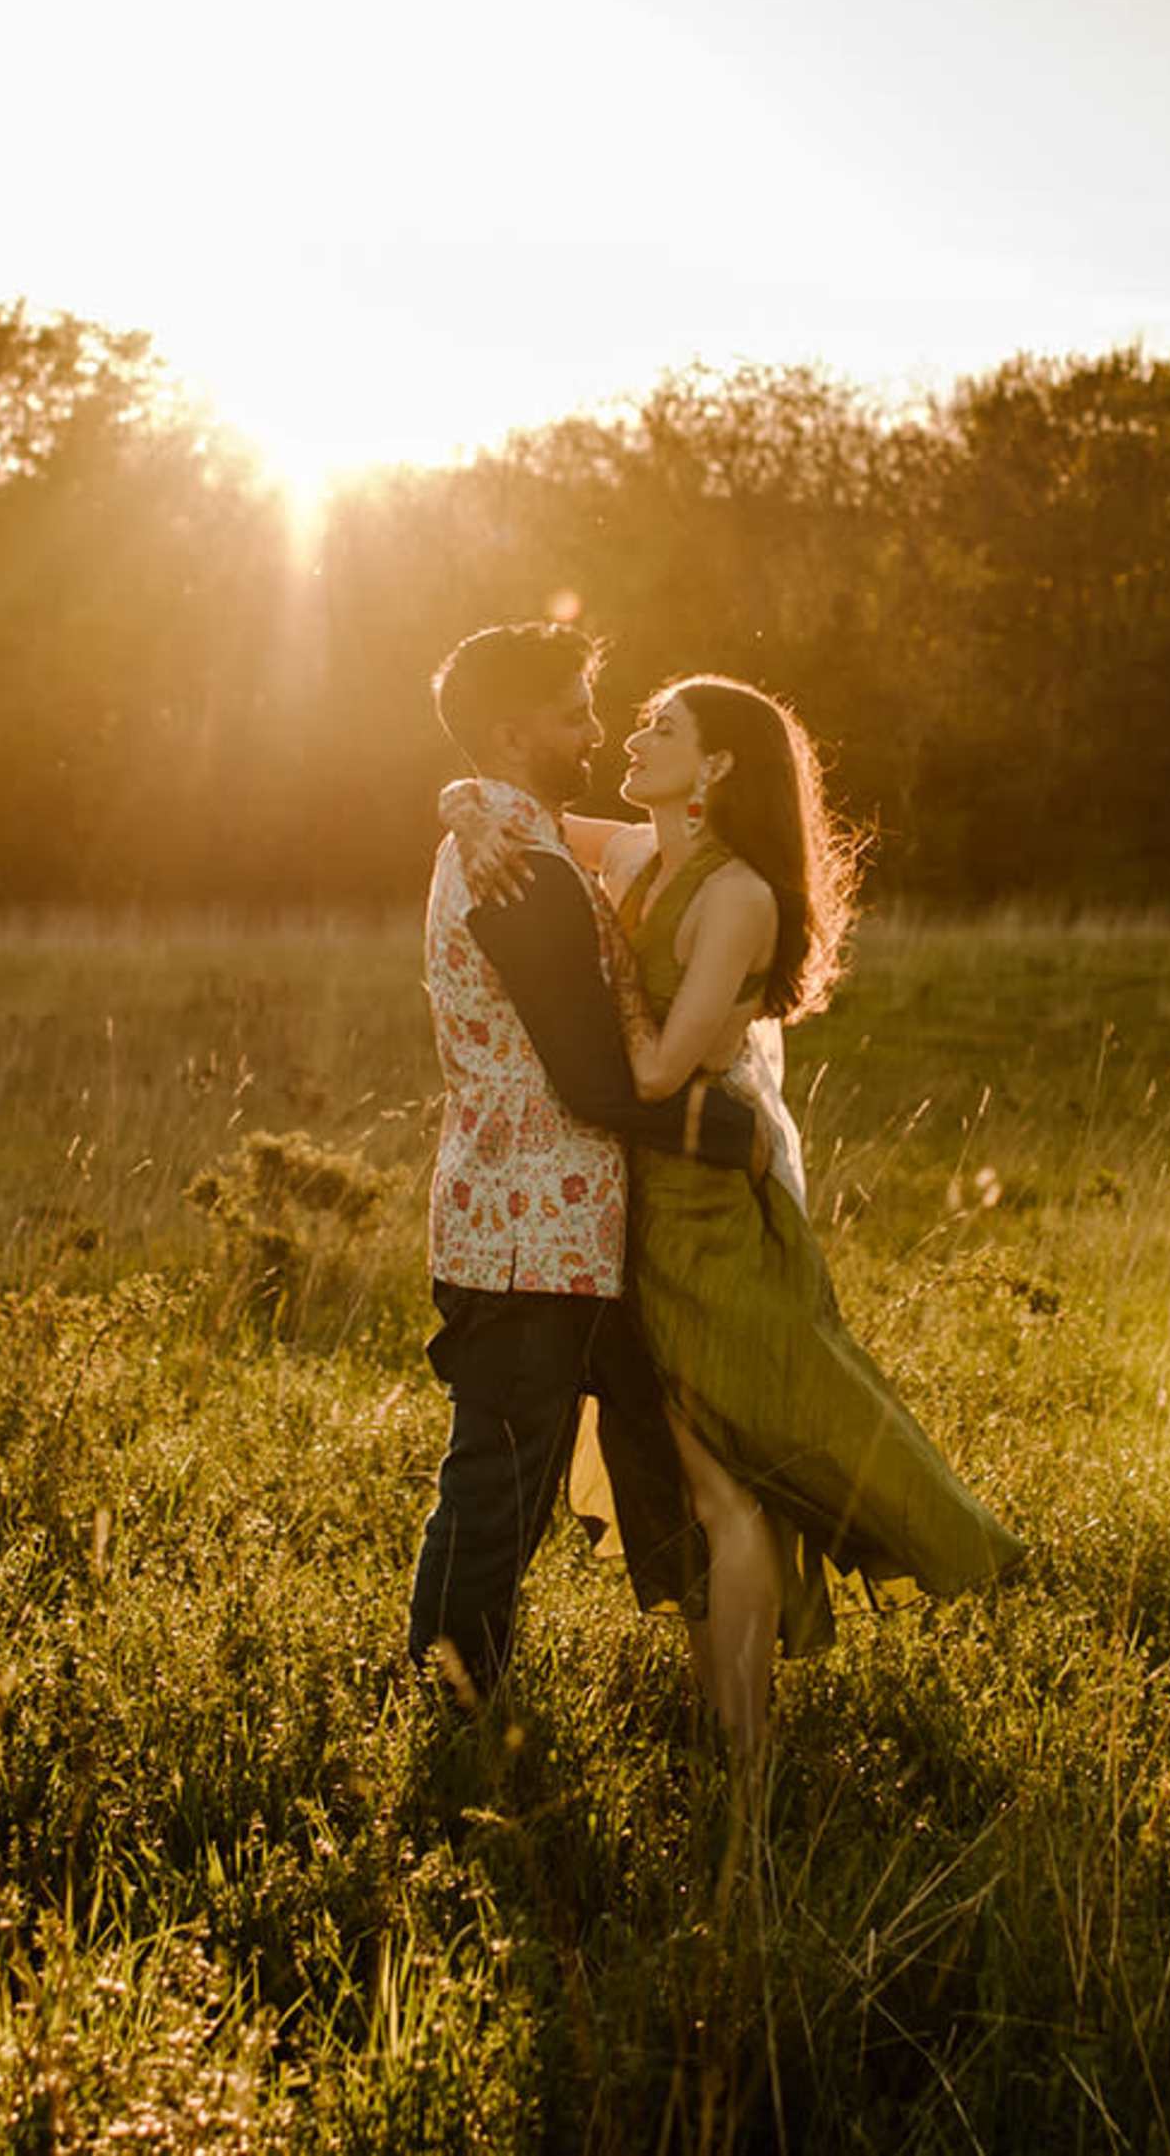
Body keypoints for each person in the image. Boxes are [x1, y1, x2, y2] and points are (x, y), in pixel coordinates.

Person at [447, 674, 1022, 1782]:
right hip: (637, 1207)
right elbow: (499, 789)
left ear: (716, 768)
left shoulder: (737, 896)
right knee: (693, 1481)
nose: (633, 732)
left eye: (664, 726)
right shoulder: (640, 858)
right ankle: (727, 1729)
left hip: (708, 1219)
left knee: (726, 1483)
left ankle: (747, 1750)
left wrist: (605, 984)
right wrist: (466, 818)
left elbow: (662, 1067)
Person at [408, 623, 770, 1721]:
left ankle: (719, 1694)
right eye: (574, 712)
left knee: (649, 1453)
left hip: (558, 1226)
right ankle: (450, 1713)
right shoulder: (523, 875)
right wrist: (728, 1137)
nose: (594, 729)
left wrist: (457, 797)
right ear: (518, 731)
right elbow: (590, 1081)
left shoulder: (515, 839)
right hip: (523, 1234)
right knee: (499, 1487)